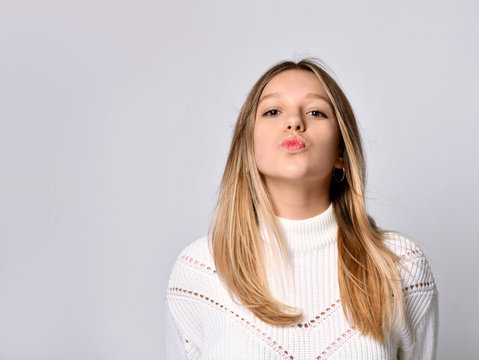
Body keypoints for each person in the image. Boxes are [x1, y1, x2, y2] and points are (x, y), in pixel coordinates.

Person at [165, 58, 438, 359]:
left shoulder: (401, 265)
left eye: (315, 112)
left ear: (341, 153)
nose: (294, 122)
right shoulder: (199, 270)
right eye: (272, 111)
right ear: (249, 148)